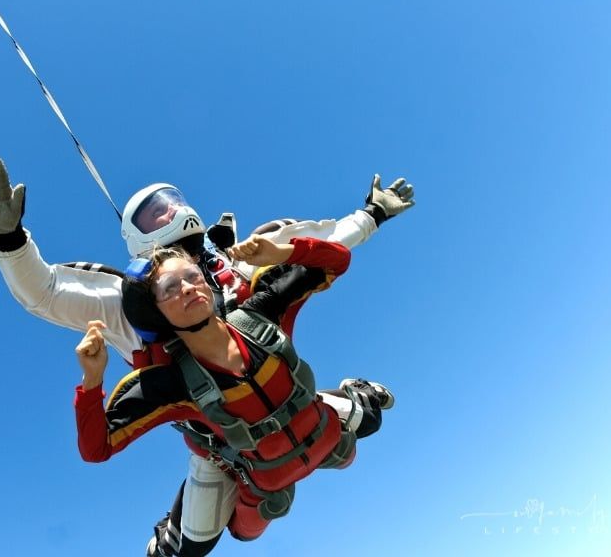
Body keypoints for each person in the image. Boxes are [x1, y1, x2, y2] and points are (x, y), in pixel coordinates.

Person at [0, 151, 415, 555]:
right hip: (218, 439)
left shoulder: (243, 262)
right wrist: (11, 239)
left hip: (290, 398)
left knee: (363, 423)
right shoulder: (128, 303)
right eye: (155, 213)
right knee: (209, 540)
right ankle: (175, 534)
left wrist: (371, 214)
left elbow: (332, 243)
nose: (174, 213)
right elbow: (48, 291)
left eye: (173, 201)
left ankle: (355, 397)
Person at [75, 234, 390, 555]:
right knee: (227, 538)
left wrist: (283, 251)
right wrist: (92, 380)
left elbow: (337, 262)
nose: (187, 288)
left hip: (325, 436)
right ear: (155, 313)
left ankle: (353, 392)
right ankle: (173, 527)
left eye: (192, 277)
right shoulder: (171, 384)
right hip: (266, 484)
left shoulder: (262, 313)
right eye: (170, 287)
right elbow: (97, 448)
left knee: (371, 419)